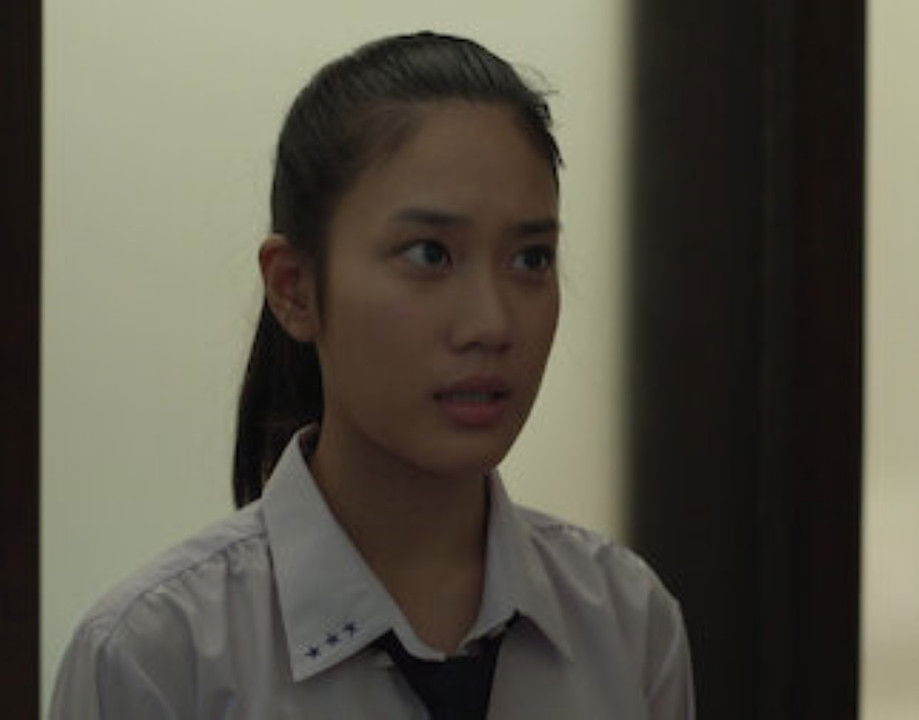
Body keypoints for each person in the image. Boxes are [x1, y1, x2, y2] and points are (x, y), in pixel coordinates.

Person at [50, 31, 695, 719]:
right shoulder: (160, 657)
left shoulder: (625, 623)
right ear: (294, 289)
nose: (491, 323)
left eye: (531, 259)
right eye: (429, 254)